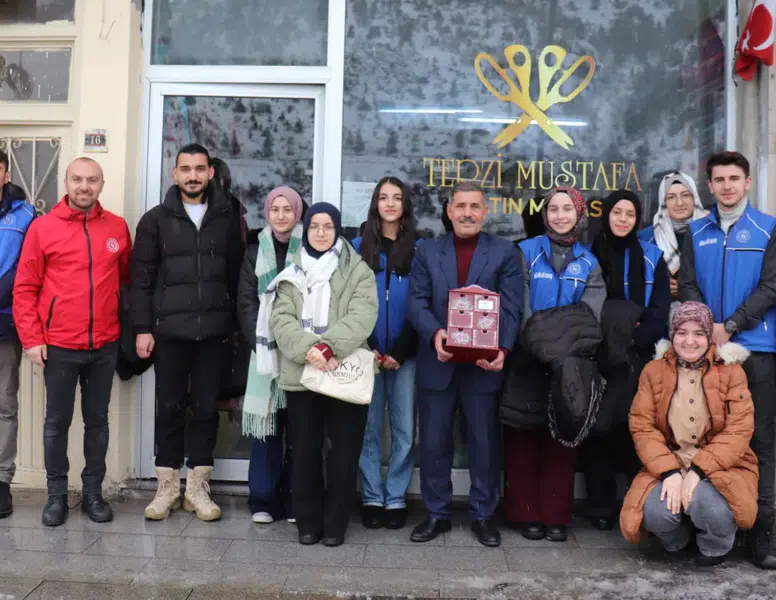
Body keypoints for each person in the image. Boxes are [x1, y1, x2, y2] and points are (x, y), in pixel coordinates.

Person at [13, 157, 131, 526]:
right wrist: (32, 338)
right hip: (59, 345)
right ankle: (57, 496)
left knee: (97, 422)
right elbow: (25, 288)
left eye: (91, 180)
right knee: (56, 423)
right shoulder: (42, 229)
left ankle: (93, 493)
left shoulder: (116, 227)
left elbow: (125, 282)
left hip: (104, 344)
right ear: (66, 182)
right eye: (77, 179)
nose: (84, 186)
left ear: (101, 184)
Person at [132, 143, 243, 523]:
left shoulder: (228, 218)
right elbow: (140, 281)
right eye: (186, 169)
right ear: (174, 174)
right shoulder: (155, 220)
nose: (193, 175)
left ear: (211, 173)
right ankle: (167, 487)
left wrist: (235, 327)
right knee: (168, 407)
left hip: (214, 331)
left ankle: (198, 486)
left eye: (200, 169)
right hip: (170, 333)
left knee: (204, 409)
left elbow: (235, 275)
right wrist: (143, 328)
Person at [408, 181, 521, 548]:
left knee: (484, 443)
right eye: (461, 206)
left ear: (486, 211)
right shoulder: (427, 250)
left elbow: (511, 307)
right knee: (434, 443)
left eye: (475, 206)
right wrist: (435, 334)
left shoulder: (504, 252)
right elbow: (417, 302)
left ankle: (483, 515)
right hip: (437, 362)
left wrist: (502, 349)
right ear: (449, 210)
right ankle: (437, 513)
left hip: (483, 366)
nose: (468, 212)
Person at [678, 151, 776, 569]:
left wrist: (732, 324)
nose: (727, 186)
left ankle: (765, 532)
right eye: (719, 180)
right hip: (707, 352)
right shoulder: (695, 230)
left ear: (748, 183)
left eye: (734, 178)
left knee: (762, 441)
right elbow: (687, 283)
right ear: (710, 186)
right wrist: (704, 330)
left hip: (756, 349)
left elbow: (771, 286)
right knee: (707, 436)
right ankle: (714, 523)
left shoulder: (768, 229)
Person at [263, 203, 377, 547]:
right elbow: (280, 319)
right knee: (304, 452)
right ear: (306, 230)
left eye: (329, 226)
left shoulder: (358, 271)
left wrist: (328, 349)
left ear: (338, 229)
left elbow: (363, 315)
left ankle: (336, 525)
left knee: (343, 453)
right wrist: (308, 351)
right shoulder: (291, 272)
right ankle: (308, 524)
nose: (322, 233)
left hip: (342, 373)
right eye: (315, 226)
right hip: (302, 373)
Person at [502, 186, 606, 542]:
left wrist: (560, 346)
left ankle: (557, 515)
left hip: (571, 366)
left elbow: (589, 318)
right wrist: (542, 341)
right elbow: (521, 307)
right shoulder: (525, 252)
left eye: (567, 209)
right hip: (527, 358)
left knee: (562, 442)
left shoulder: (589, 262)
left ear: (579, 214)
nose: (560, 215)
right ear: (544, 215)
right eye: (553, 209)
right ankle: (524, 513)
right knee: (523, 438)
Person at [620, 302, 758, 567]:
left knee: (710, 506)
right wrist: (670, 472)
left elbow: (739, 429)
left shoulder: (731, 371)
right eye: (682, 332)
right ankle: (678, 540)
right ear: (672, 335)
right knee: (656, 512)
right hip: (671, 460)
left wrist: (698, 470)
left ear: (709, 337)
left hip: (722, 465)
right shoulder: (654, 371)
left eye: (698, 333)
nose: (690, 341)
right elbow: (642, 425)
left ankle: (714, 546)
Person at [584, 190, 671, 530]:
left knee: (633, 429)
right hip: (597, 353)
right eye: (616, 212)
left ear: (638, 220)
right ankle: (600, 506)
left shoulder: (651, 256)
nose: (622, 219)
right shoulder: (590, 254)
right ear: (606, 215)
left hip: (637, 357)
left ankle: (634, 505)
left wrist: (636, 339)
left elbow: (660, 308)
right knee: (598, 429)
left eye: (630, 214)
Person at [353, 176, 419, 530]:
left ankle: (395, 495)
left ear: (405, 204)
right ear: (375, 203)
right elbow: (349, 302)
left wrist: (400, 349)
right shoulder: (357, 245)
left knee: (404, 427)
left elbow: (425, 302)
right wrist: (372, 347)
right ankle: (371, 496)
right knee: (368, 428)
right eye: (383, 197)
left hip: (406, 354)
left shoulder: (421, 247)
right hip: (367, 353)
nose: (390, 203)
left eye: (396, 197)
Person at [238, 186, 304, 524]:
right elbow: (247, 303)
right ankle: (263, 499)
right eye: (275, 209)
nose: (281, 216)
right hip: (264, 355)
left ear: (298, 213)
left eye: (287, 210)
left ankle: (295, 499)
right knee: (267, 428)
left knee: (299, 429)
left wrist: (295, 345)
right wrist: (261, 342)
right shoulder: (254, 252)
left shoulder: (309, 249)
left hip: (299, 355)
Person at [0, 150, 35, 518]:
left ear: (5, 173)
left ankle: (1, 481)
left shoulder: (25, 214)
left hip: (5, 321)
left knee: (4, 406)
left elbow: (28, 265)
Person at [639, 172, 707, 300]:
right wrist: (660, 286)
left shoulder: (711, 231)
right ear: (663, 202)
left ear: (695, 198)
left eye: (685, 195)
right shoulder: (647, 238)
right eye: (671, 197)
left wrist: (686, 288)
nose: (679, 203)